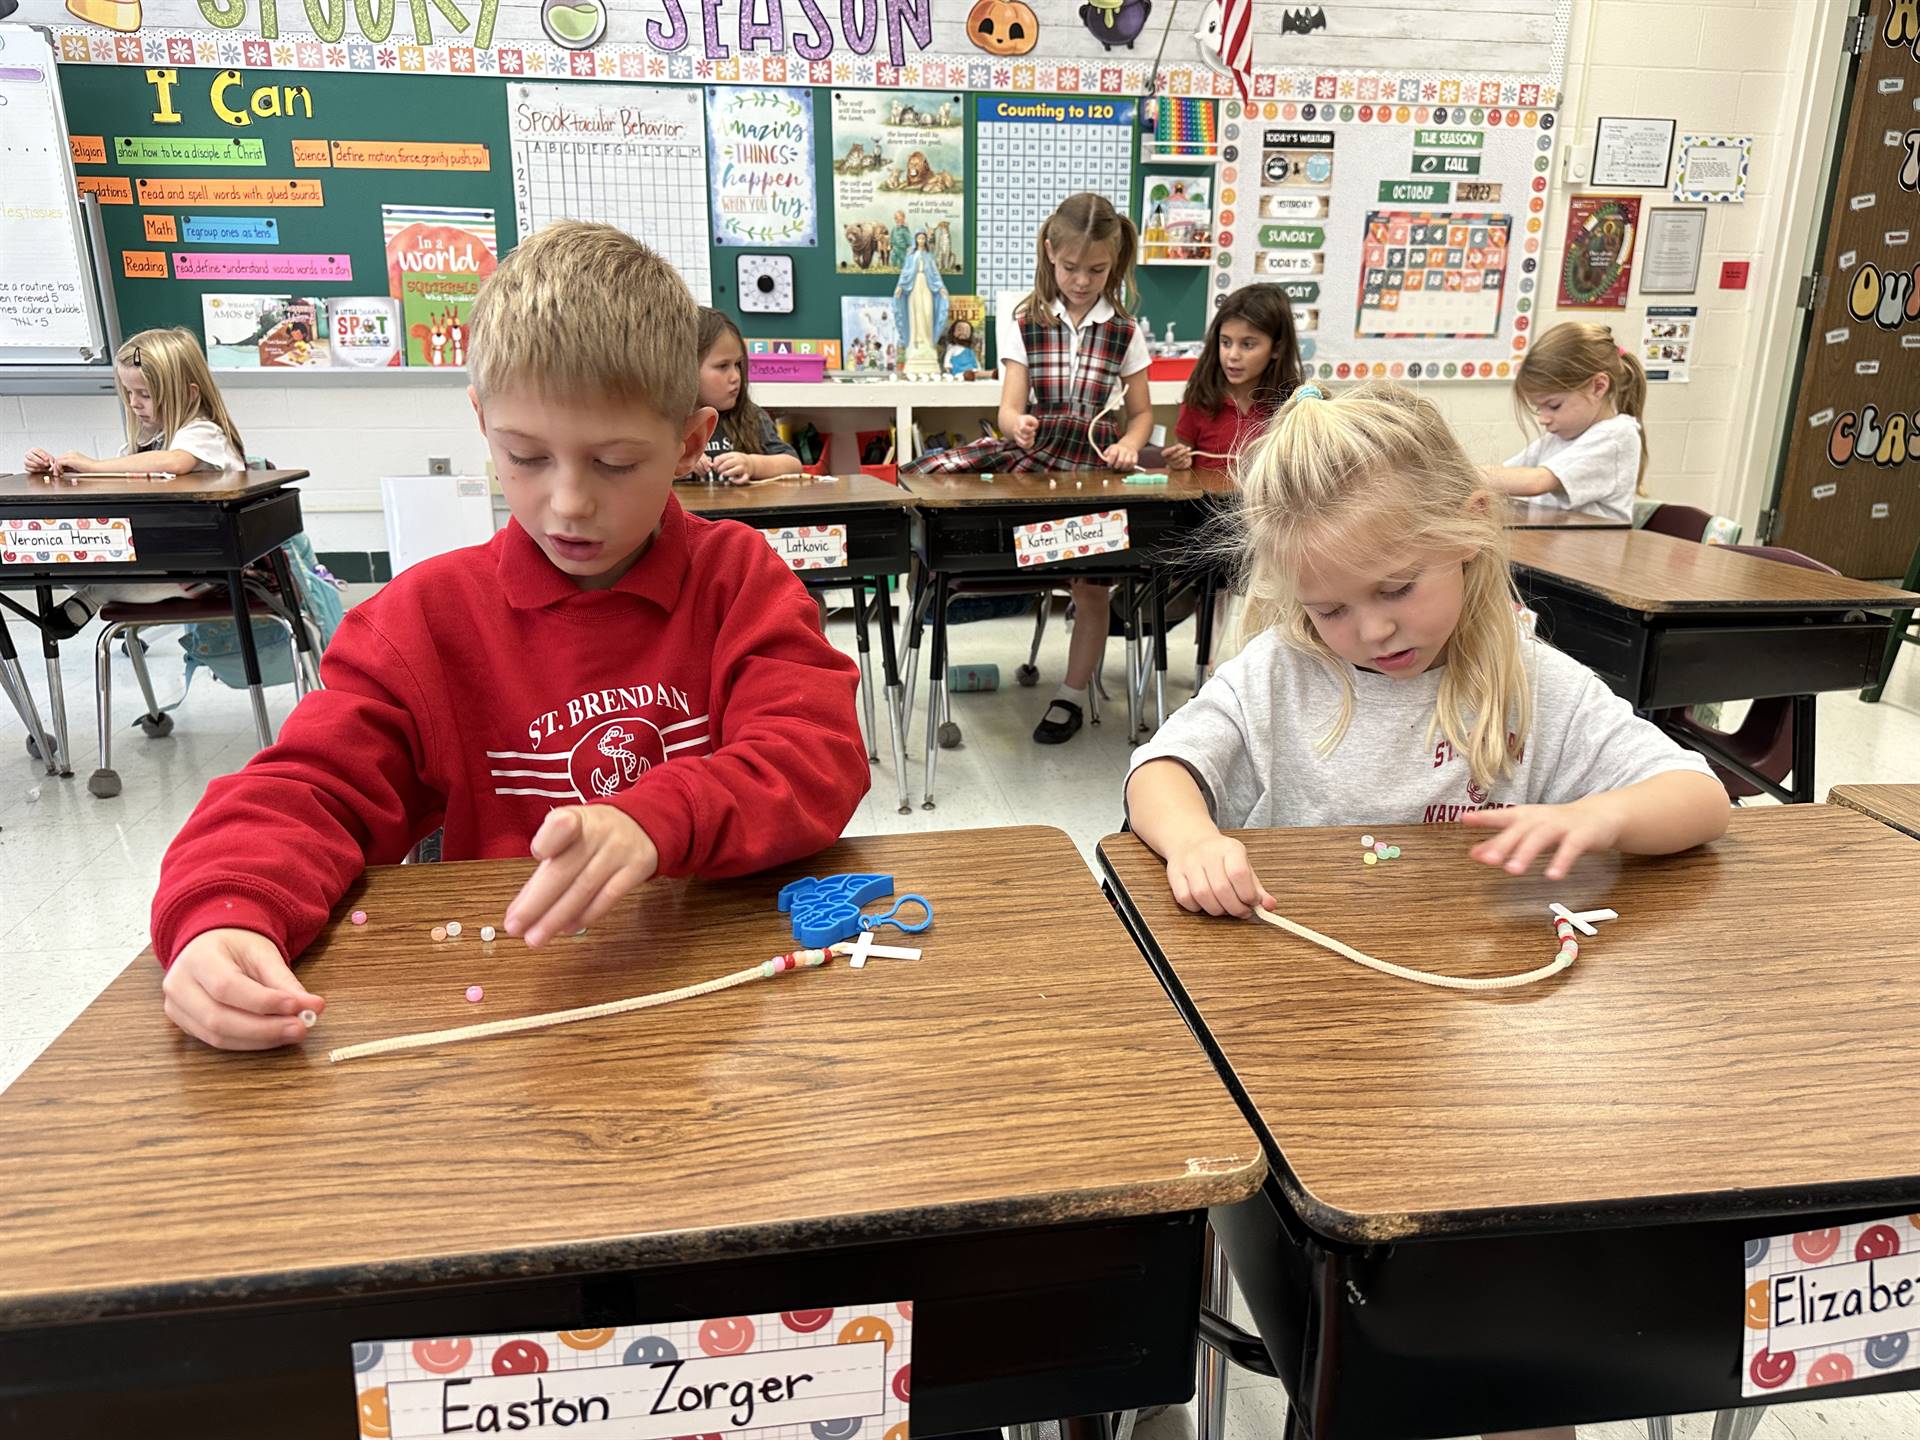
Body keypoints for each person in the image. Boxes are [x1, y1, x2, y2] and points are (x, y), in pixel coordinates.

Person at [149, 222, 870, 1051]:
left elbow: (814, 753)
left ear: (690, 443)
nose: (568, 502)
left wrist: (657, 817)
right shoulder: (421, 622)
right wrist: (223, 914)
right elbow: (306, 790)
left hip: (718, 1005)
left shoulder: (737, 579)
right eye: (524, 456)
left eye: (614, 464)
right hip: (507, 1018)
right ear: (482, 422)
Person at [1126, 380, 1727, 968]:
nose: (1372, 632)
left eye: (1397, 588)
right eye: (1330, 609)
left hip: (1471, 973)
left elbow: (1700, 797)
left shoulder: (1533, 682)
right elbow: (1158, 771)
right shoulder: (1281, 669)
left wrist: (1597, 816)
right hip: (1301, 967)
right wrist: (1193, 841)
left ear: (1468, 529)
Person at [902, 192, 1152, 745]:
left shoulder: (1127, 331)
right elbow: (1009, 409)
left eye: (1097, 270)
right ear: (1049, 254)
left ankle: (1070, 694)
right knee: (931, 472)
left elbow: (1140, 414)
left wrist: (1131, 446)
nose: (1082, 281)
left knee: (1092, 590)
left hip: (1091, 466)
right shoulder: (1025, 321)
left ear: (1115, 265)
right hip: (1036, 458)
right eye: (1070, 268)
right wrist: (1017, 427)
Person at [24, 327, 246, 639]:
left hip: (208, 569)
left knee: (115, 582)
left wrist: (95, 466)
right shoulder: (145, 443)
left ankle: (94, 595)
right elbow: (118, 482)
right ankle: (93, 590)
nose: (133, 403)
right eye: (128, 392)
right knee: (71, 564)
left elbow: (175, 463)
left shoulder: (202, 431)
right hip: (161, 558)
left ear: (189, 393)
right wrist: (63, 471)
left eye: (145, 394)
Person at [1480, 321, 1649, 523]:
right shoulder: (1559, 437)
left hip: (1591, 552)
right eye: (1538, 408)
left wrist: (1458, 476)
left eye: (1554, 406)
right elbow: (1506, 474)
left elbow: (1535, 482)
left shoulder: (1616, 436)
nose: (1543, 419)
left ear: (1598, 387)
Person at [1163, 284, 1302, 470]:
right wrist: (1177, 464)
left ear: (1276, 349)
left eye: (1247, 345)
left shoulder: (1292, 405)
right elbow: (1180, 466)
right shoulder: (1200, 398)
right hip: (1207, 498)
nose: (1232, 355)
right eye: (1226, 342)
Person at [688, 308, 801, 483]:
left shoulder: (750, 416)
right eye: (723, 366)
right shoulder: (667, 423)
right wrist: (679, 465)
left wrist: (752, 464)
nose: (736, 376)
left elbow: (793, 464)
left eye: (738, 364)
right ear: (687, 369)